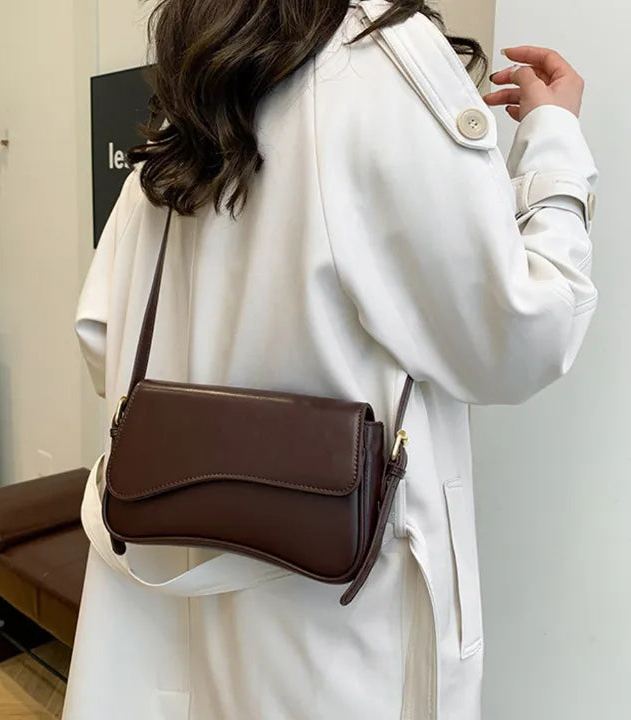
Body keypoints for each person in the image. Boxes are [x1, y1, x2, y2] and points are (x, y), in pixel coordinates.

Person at [66, 0, 598, 717]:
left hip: (163, 611)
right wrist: (554, 138)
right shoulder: (379, 60)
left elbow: (101, 336)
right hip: (336, 643)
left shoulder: (198, 83)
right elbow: (522, 337)